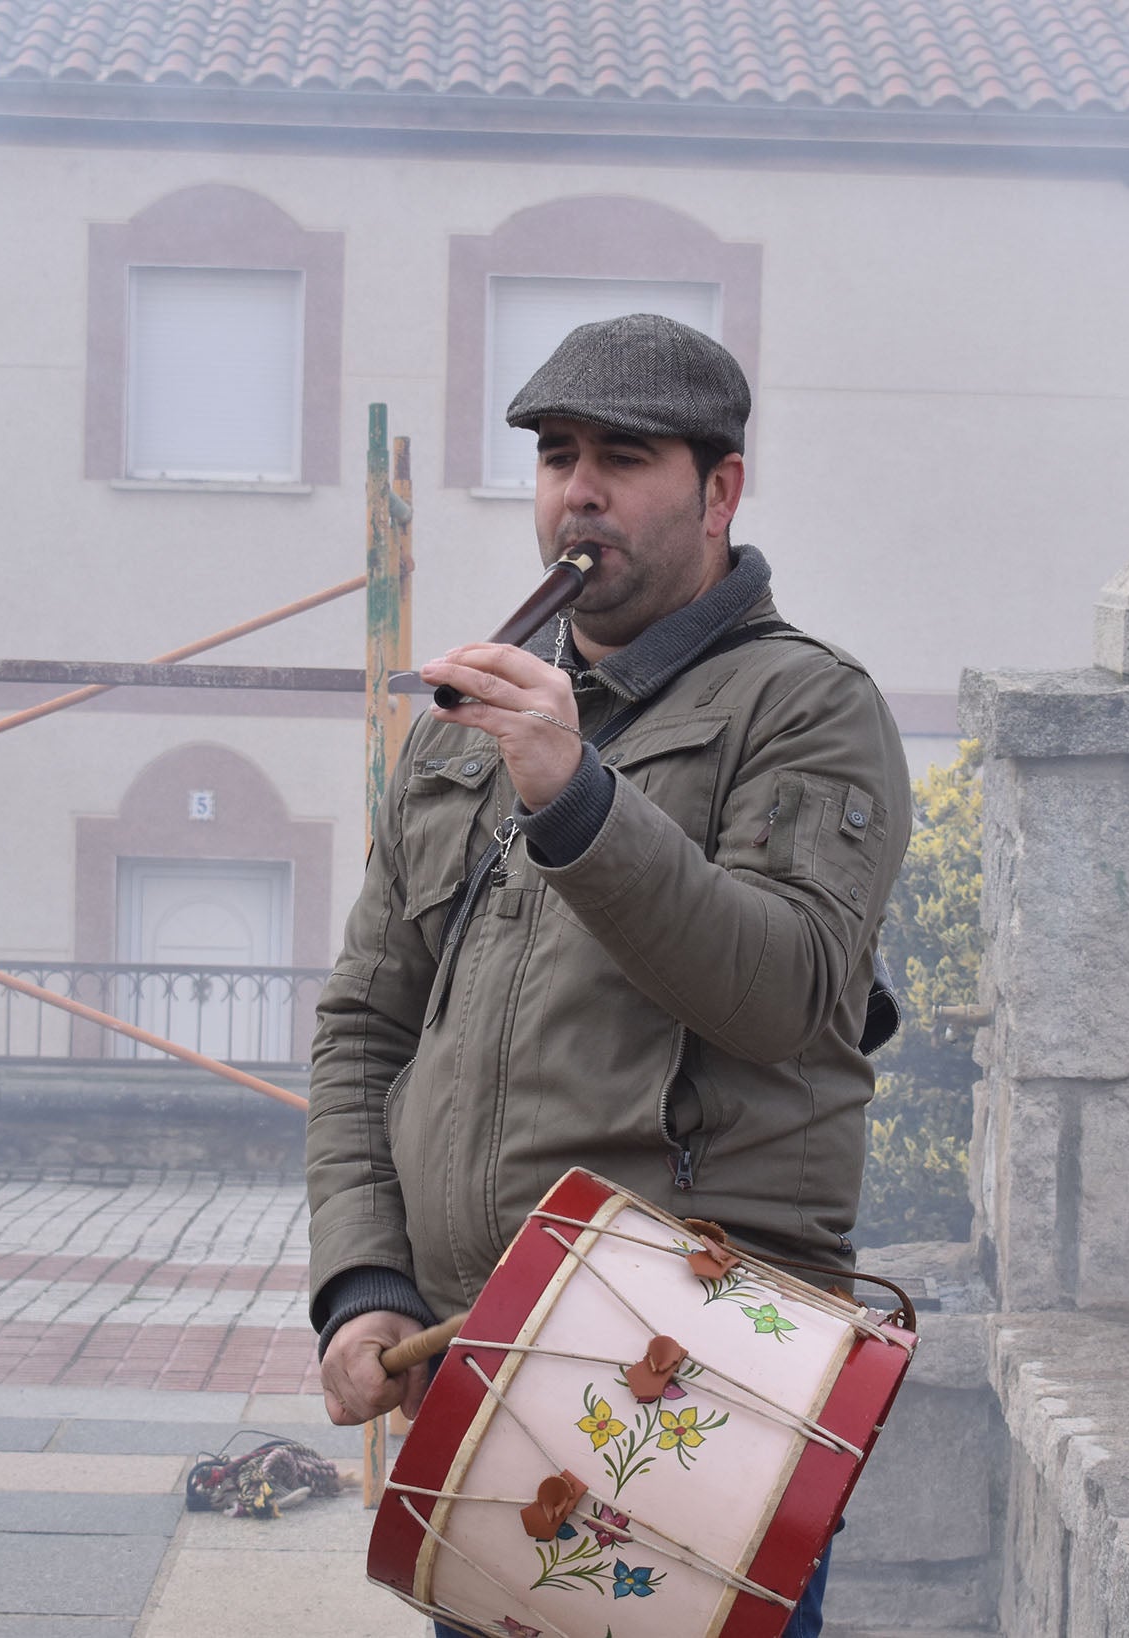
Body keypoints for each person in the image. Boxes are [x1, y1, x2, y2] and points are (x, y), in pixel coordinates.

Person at [304, 312, 911, 1638]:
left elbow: (785, 987)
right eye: (556, 453)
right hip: (478, 1359)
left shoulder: (804, 707)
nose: (577, 489)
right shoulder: (466, 730)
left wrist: (578, 796)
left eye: (623, 456)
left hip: (699, 1371)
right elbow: (365, 1027)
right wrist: (362, 1281)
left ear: (720, 488)